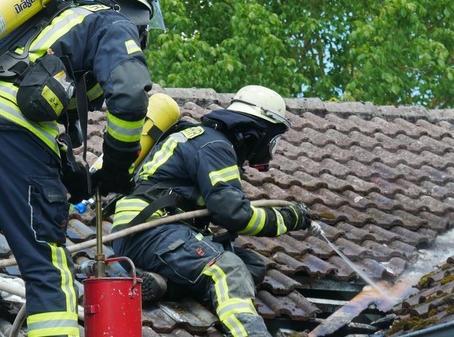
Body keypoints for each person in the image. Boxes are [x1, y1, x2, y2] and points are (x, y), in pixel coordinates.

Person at [0, 0, 162, 337]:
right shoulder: (111, 22)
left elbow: (37, 101)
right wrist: (117, 164)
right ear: (141, 16)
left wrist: (72, 174)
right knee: (46, 265)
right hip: (7, 131)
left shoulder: (49, 18)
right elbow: (131, 95)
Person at [110, 85, 313, 337]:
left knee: (251, 265)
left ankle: (162, 283)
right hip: (152, 231)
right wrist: (290, 218)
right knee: (227, 268)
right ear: (259, 131)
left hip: (152, 234)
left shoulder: (209, 141)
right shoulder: (214, 146)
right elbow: (235, 215)